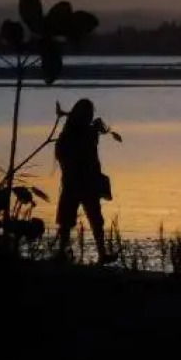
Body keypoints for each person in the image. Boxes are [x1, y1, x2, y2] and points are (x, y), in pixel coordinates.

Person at [55, 98, 114, 262]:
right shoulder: (71, 134)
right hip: (76, 182)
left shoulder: (83, 132)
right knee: (68, 220)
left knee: (94, 219)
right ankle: (62, 253)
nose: (89, 117)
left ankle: (101, 254)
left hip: (84, 182)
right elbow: (63, 154)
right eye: (87, 114)